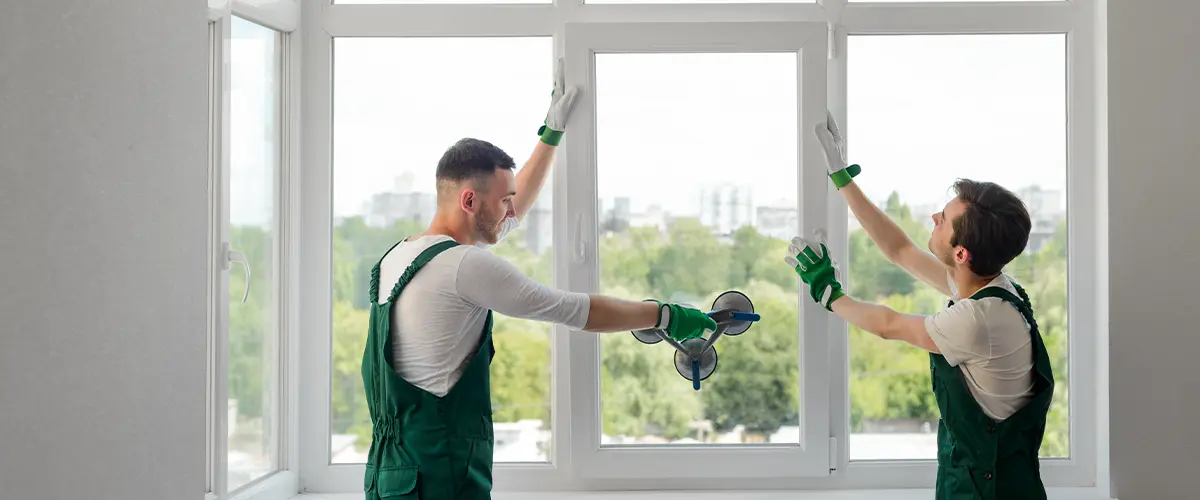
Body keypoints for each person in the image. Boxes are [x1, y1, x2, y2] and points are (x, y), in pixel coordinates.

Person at [361, 63, 718, 500]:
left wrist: (550, 135)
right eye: (504, 200)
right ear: (470, 200)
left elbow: (510, 214)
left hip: (388, 479)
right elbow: (576, 310)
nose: (513, 212)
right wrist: (666, 314)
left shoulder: (399, 257)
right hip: (440, 480)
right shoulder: (464, 268)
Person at [785, 112, 1054, 500]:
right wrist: (842, 179)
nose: (933, 218)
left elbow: (888, 324)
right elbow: (900, 251)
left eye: (943, 220)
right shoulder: (994, 287)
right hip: (987, 482)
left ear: (961, 253)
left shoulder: (976, 320)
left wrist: (828, 294)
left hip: (986, 493)